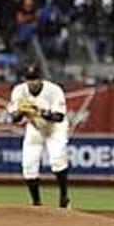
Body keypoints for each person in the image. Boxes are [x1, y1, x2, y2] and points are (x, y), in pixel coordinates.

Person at [7, 65, 70, 208]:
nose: (32, 82)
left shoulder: (54, 90)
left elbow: (59, 117)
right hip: (35, 127)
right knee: (28, 165)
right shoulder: (19, 91)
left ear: (41, 79)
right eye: (29, 79)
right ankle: (36, 203)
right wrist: (22, 112)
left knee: (57, 159)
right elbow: (14, 119)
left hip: (55, 129)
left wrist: (40, 111)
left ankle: (64, 196)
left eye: (35, 78)